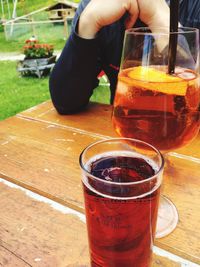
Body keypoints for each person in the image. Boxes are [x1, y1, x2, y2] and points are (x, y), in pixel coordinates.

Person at [49, 0, 199, 115]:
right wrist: (89, 22)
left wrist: (158, 18)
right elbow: (66, 102)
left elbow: (190, 109)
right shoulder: (96, 4)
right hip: (125, 135)